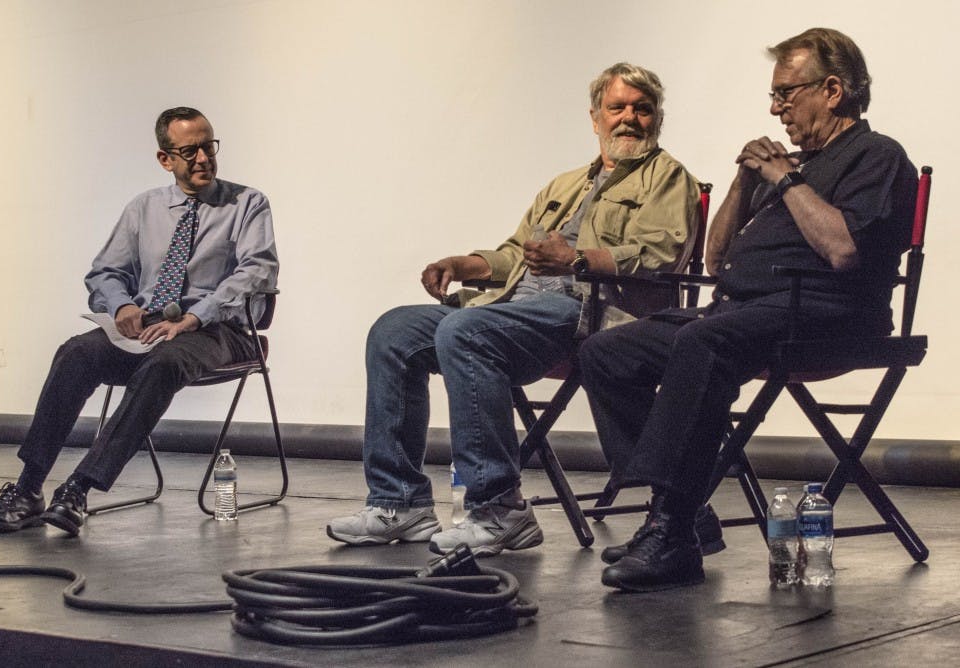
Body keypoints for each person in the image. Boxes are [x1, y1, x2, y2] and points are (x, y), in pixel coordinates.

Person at [579, 28, 917, 591]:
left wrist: (786, 179)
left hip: (826, 314)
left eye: (786, 93)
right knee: (606, 351)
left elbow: (843, 249)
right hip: (743, 310)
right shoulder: (794, 166)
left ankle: (671, 531)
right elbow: (715, 259)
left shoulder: (877, 156)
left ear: (832, 90)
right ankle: (683, 512)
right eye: (774, 95)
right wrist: (744, 179)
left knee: (703, 343)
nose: (775, 108)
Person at [326, 63, 701, 556]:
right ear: (595, 118)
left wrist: (578, 259)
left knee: (465, 332)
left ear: (658, 118)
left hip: (587, 314)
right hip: (512, 308)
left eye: (642, 109)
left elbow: (660, 255)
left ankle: (500, 508)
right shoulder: (564, 185)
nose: (629, 118)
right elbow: (515, 254)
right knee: (393, 331)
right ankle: (400, 502)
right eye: (617, 107)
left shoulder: (668, 177)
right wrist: (465, 264)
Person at [0, 107, 279, 537]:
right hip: (150, 327)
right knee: (77, 352)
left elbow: (256, 273)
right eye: (189, 151)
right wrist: (120, 307)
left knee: (164, 363)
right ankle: (27, 488)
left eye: (208, 147)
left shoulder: (247, 204)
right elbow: (105, 272)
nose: (203, 158)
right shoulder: (143, 208)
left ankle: (78, 488)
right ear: (165, 159)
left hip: (219, 329)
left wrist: (195, 317)